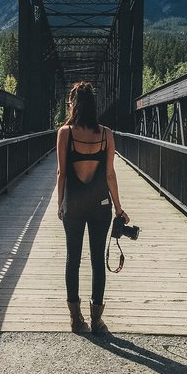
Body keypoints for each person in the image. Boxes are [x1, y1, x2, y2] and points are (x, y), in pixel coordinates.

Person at [56, 81, 129, 334]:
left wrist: (59, 204)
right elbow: (110, 175)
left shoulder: (65, 133)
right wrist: (119, 208)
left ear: (74, 105)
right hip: (100, 206)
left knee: (72, 259)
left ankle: (76, 320)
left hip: (73, 204)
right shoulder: (107, 134)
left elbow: (61, 173)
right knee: (98, 261)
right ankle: (97, 320)